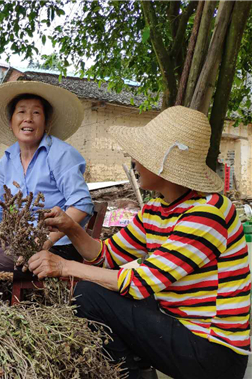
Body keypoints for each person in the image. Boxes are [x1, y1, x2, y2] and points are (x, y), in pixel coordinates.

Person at [28, 106, 250, 379]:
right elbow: (104, 256)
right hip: (178, 327)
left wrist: (65, 267)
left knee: (90, 295)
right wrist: (72, 227)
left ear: (164, 166)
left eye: (141, 156)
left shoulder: (209, 212)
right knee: (100, 292)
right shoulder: (155, 211)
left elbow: (140, 282)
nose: (134, 161)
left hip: (214, 353)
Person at [0, 81, 94, 290]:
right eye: (21, 112)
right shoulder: (9, 158)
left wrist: (46, 241)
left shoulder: (61, 154)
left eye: (36, 113)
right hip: (20, 241)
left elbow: (81, 204)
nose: (28, 119)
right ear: (11, 121)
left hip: (58, 247)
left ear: (46, 123)